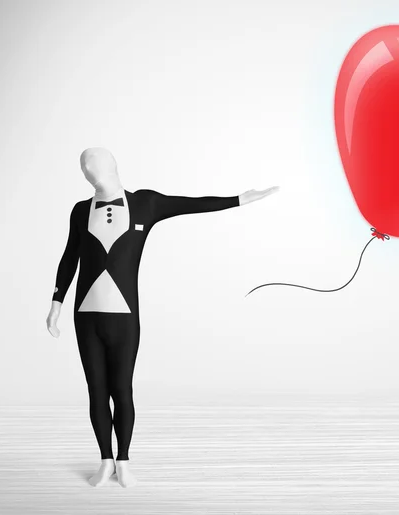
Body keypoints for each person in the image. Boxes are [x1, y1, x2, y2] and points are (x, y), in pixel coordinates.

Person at [46, 147, 278, 487]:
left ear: (112, 166)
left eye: (94, 165)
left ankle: (123, 460)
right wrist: (56, 303)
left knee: (121, 390)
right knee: (96, 391)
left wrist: (239, 199)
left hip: (125, 319)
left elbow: (191, 203)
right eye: (85, 167)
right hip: (86, 317)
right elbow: (69, 257)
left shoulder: (146, 204)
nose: (89, 171)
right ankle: (105, 460)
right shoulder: (81, 211)